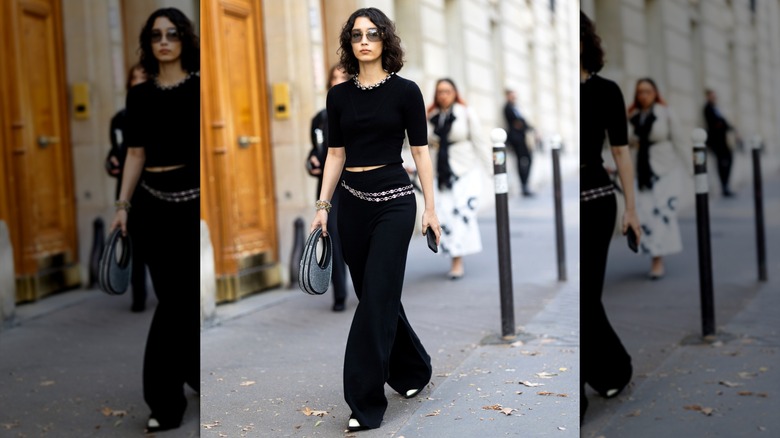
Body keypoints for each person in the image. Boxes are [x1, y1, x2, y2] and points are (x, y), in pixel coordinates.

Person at [309, 7, 441, 431]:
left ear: (386, 40)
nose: (364, 41)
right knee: (375, 296)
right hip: (351, 204)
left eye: (372, 33)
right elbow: (334, 155)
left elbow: (420, 152)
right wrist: (322, 207)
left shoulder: (406, 92)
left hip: (395, 204)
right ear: (349, 44)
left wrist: (431, 210)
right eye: (356, 35)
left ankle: (363, 402)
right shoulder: (338, 96)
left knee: (376, 300)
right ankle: (413, 369)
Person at [109, 7, 200, 433]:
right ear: (148, 44)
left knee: (175, 303)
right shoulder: (140, 95)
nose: (164, 41)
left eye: (172, 34)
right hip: (151, 207)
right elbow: (135, 154)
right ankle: (192, 370)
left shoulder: (200, 88)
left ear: (184, 39)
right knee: (172, 298)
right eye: (156, 35)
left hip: (190, 207)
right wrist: (122, 207)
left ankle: (164, 401)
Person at [579, 11, 642, 420]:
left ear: (586, 42)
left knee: (586, 297)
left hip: (599, 201)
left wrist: (632, 210)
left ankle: (586, 390)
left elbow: (620, 151)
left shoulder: (608, 91)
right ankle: (613, 368)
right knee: (582, 300)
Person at [427, 78, 491, 279]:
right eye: (440, 92)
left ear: (455, 93)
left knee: (462, 214)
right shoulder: (431, 116)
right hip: (442, 172)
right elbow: (424, 147)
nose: (443, 95)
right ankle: (454, 255)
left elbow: (480, 142)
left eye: (447, 91)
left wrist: (494, 170)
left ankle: (458, 261)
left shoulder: (465, 113)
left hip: (465, 170)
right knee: (445, 215)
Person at [628, 78, 687, 279]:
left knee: (662, 215)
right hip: (641, 172)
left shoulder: (665, 113)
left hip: (665, 170)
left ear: (655, 93)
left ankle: (658, 260)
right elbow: (622, 147)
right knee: (645, 216)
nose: (644, 95)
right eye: (640, 92)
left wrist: (695, 170)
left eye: (648, 91)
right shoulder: (632, 116)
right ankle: (654, 255)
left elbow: (680, 141)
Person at [105, 63, 149, 312]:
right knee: (132, 242)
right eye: (135, 78)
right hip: (127, 188)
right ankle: (138, 296)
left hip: (153, 188)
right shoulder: (119, 119)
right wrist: (110, 163)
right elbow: (116, 152)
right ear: (129, 83)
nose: (139, 81)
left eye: (144, 77)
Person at [307, 65, 351, 311]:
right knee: (331, 236)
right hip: (329, 188)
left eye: (343, 77)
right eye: (333, 78)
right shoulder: (320, 118)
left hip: (354, 184)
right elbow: (316, 151)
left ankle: (366, 289)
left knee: (355, 238)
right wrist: (311, 161)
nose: (338, 81)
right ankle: (340, 295)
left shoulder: (356, 111)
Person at [703, 89, 740, 197]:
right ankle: (724, 187)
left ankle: (726, 185)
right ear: (708, 97)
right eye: (712, 96)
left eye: (715, 96)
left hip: (723, 141)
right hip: (716, 143)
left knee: (728, 161)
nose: (714, 98)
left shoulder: (717, 108)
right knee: (722, 163)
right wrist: (722, 125)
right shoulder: (707, 108)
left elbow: (723, 122)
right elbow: (716, 124)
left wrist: (733, 129)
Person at [503, 89, 535, 197]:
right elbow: (517, 123)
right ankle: (524, 185)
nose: (514, 98)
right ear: (507, 96)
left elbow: (522, 122)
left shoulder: (516, 108)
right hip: (516, 140)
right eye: (512, 96)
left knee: (528, 160)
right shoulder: (507, 108)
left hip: (522, 138)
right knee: (522, 161)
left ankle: (525, 184)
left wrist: (531, 128)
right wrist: (524, 126)